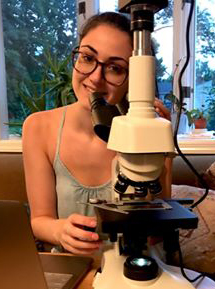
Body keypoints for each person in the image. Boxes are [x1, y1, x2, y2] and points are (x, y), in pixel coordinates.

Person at [22, 11, 172, 255]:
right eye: (87, 57)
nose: (95, 77)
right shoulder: (38, 128)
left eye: (114, 68)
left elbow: (157, 231)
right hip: (76, 270)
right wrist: (60, 231)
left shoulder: (145, 134)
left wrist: (162, 146)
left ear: (134, 79)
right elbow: (40, 220)